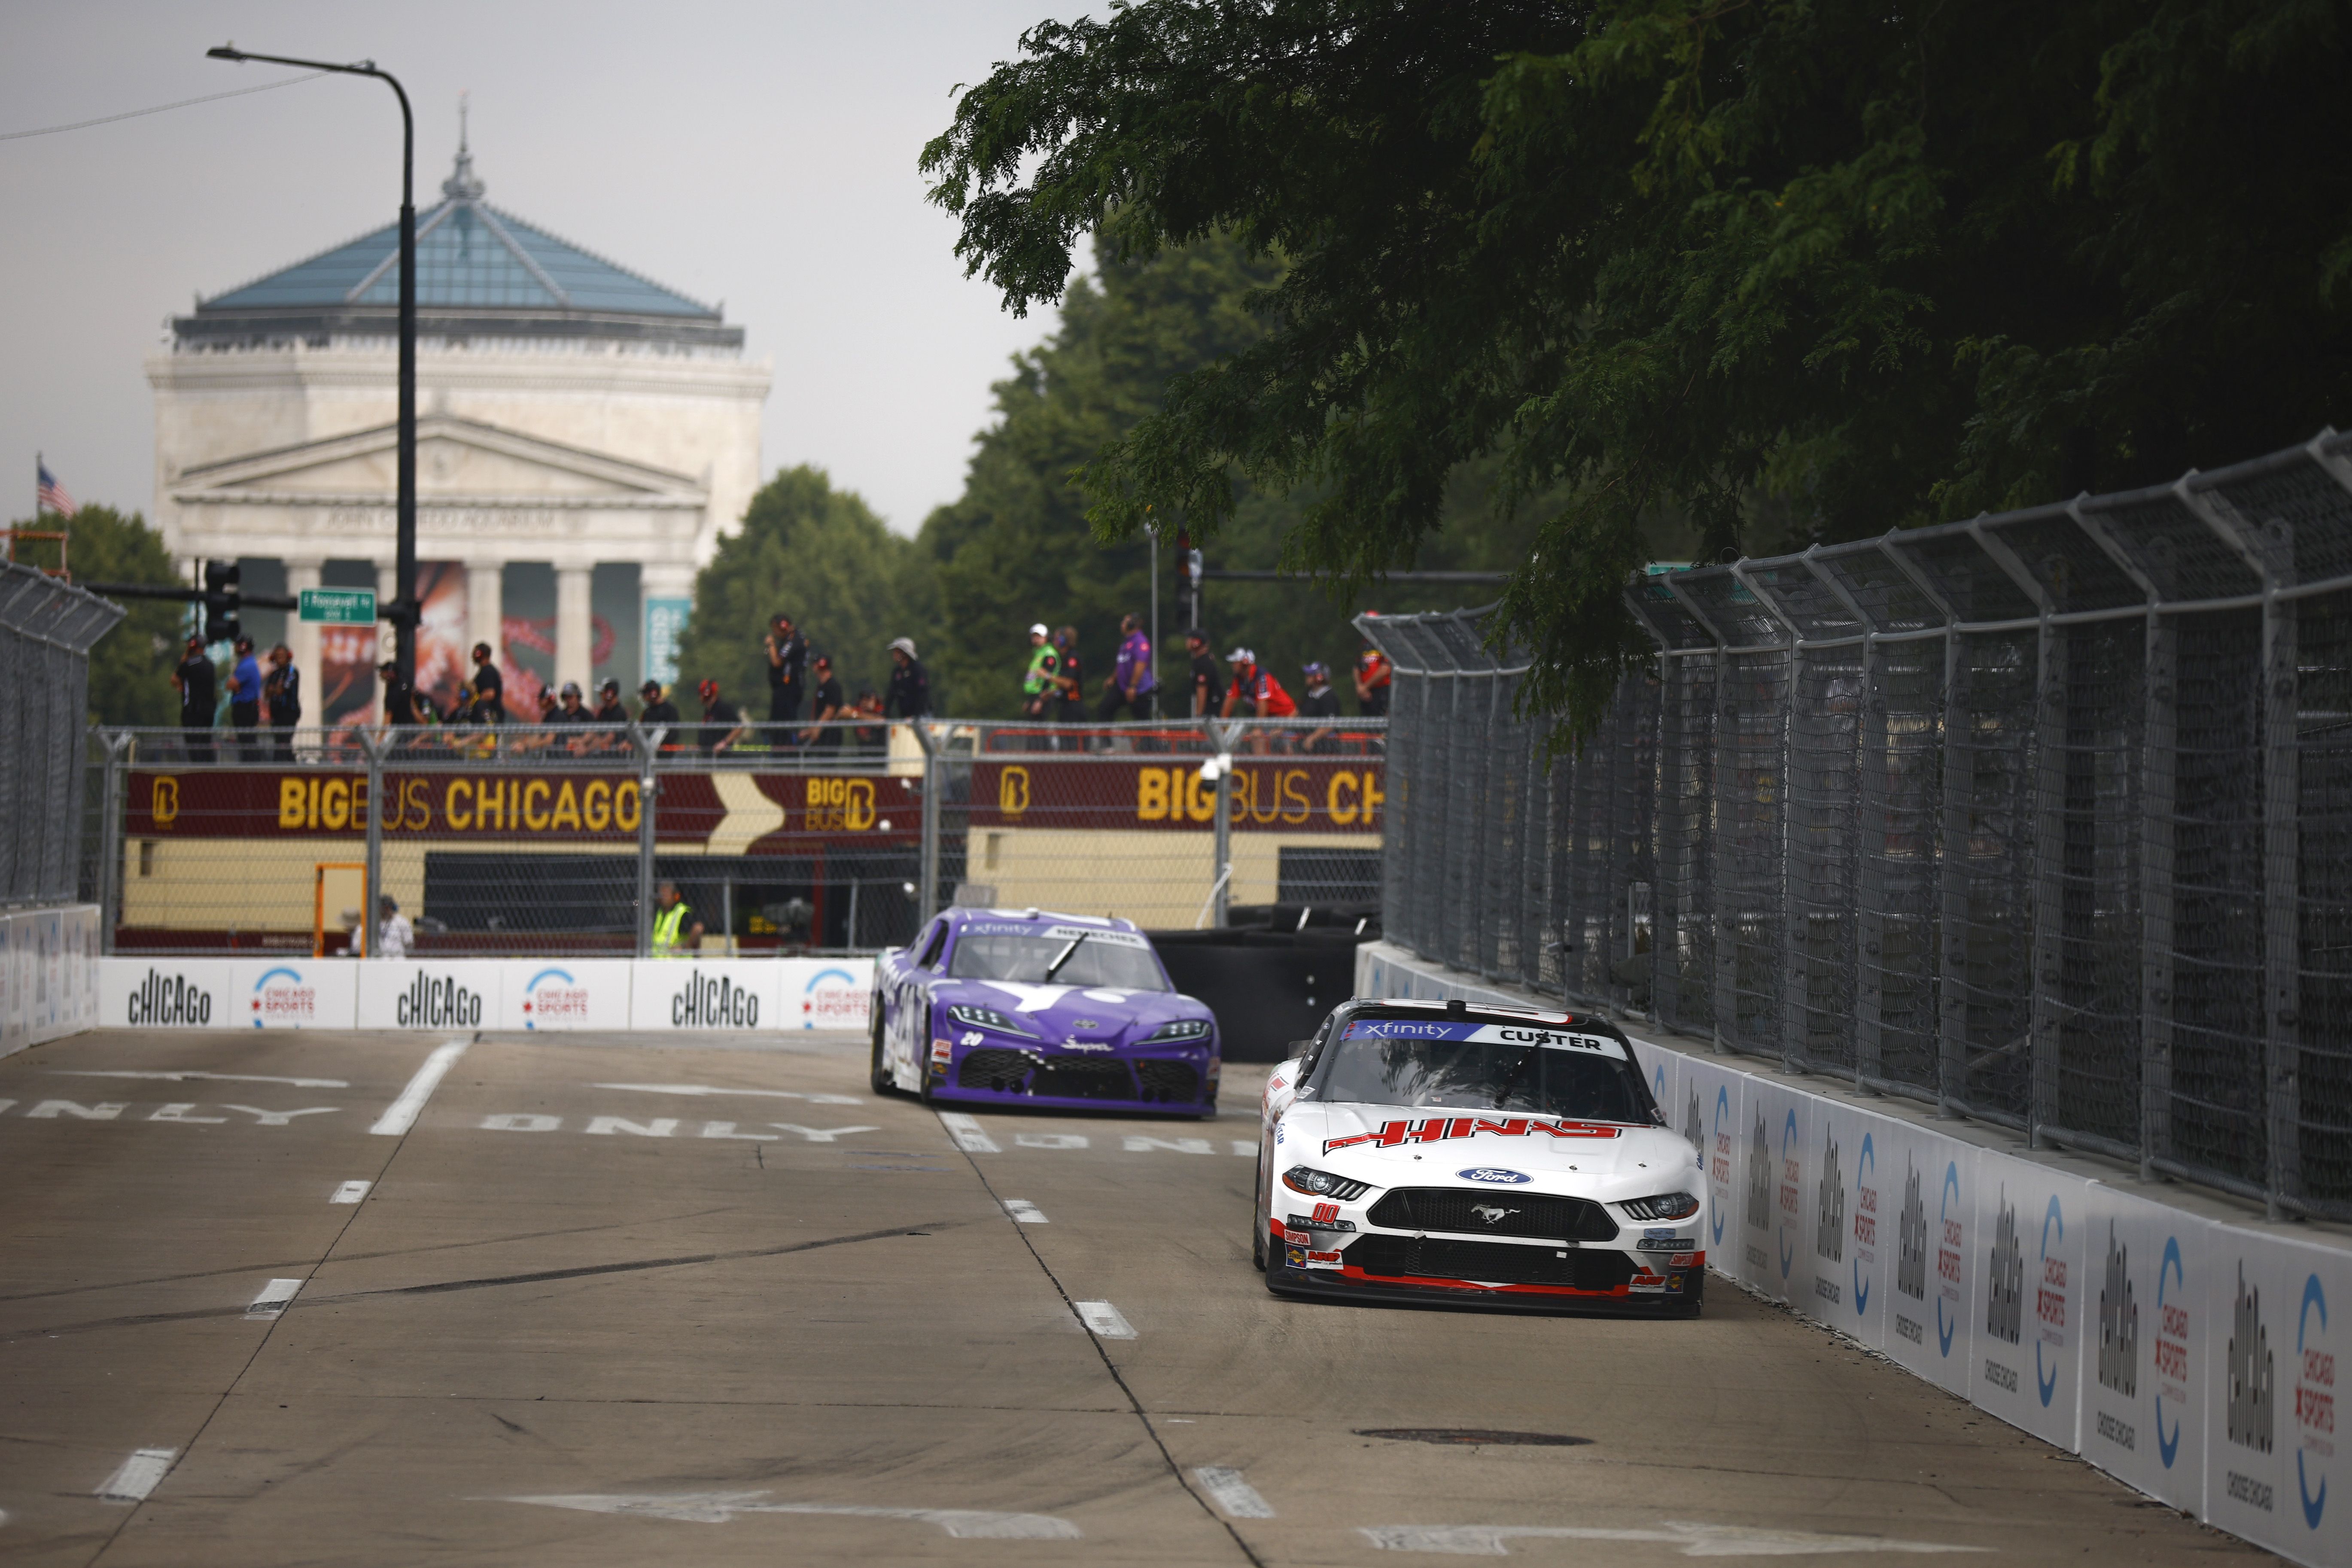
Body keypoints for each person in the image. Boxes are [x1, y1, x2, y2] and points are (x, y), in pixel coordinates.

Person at [1222, 647, 1297, 752]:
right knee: (1257, 738)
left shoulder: (1261, 677)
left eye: (1236, 662)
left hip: (1286, 716)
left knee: (1282, 745)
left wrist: (1259, 728)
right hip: (1269, 717)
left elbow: (1263, 703)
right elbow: (1230, 701)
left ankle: (1293, 767)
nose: (1233, 665)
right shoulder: (1239, 679)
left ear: (1245, 663)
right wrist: (1222, 724)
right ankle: (1262, 767)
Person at [1098, 612, 1155, 722]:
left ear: (1133, 624)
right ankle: (1105, 739)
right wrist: (1113, 678)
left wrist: (1133, 686)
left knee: (1142, 720)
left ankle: (1147, 740)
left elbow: (1141, 664)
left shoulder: (1141, 642)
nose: (1122, 624)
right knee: (1105, 709)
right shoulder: (1126, 643)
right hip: (1123, 686)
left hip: (1139, 689)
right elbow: (1122, 663)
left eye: (1126, 622)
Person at [171, 633, 217, 763]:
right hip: (208, 710)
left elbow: (174, 679)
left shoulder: (189, 664)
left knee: (192, 743)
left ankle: (197, 770)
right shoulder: (210, 665)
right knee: (205, 743)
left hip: (192, 711)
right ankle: (209, 771)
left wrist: (186, 655)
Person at [765, 613, 807, 746]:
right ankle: (779, 744)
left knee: (786, 725)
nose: (774, 634)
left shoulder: (794, 640)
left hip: (789, 690)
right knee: (777, 726)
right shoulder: (791, 639)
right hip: (784, 690)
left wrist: (771, 645)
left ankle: (789, 748)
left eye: (775, 630)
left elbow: (777, 662)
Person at [226, 636, 264, 760]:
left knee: (247, 741)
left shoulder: (247, 665)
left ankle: (251, 767)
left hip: (245, 708)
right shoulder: (248, 663)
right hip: (247, 707)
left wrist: (236, 687)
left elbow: (230, 684)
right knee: (245, 741)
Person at [263, 643, 302, 761]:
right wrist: (274, 690)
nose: (279, 659)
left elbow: (281, 690)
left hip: (289, 713)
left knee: (284, 742)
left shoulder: (292, 672)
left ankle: (287, 765)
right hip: (276, 715)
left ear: (288, 656)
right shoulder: (274, 674)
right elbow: (267, 693)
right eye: (277, 656)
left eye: (282, 656)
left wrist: (274, 690)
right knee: (278, 742)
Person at [802, 653, 847, 753]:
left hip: (830, 733)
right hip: (822, 732)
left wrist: (818, 728)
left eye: (816, 663)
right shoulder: (820, 686)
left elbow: (830, 710)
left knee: (827, 763)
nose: (814, 666)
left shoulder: (832, 685)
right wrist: (810, 731)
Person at [1298, 660, 1343, 753]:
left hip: (1326, 748)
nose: (1307, 677)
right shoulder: (1309, 694)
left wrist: (1312, 738)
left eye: (1310, 675)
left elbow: (1330, 724)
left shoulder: (1329, 696)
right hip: (1307, 746)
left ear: (1319, 677)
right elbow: (1298, 712)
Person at [651, 880, 704, 957]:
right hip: (658, 962)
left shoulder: (681, 913)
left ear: (674, 896)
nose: (663, 897)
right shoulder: (659, 913)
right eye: (661, 894)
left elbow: (698, 929)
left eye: (666, 894)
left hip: (677, 963)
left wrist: (684, 948)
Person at [1053, 626, 1086, 740]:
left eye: (1057, 638)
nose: (1055, 641)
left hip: (1074, 706)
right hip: (1065, 705)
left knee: (1073, 743)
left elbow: (1068, 684)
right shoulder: (1063, 658)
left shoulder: (1073, 657)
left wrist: (1047, 676)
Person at [885, 637, 931, 720]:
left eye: (897, 652)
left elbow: (923, 693)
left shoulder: (918, 669)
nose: (894, 654)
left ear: (904, 653)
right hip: (906, 716)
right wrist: (885, 713)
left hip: (921, 716)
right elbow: (891, 693)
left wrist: (916, 716)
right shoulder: (897, 672)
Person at [697, 678, 745, 756]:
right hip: (709, 756)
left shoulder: (722, 707)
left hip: (721, 757)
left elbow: (739, 727)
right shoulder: (708, 710)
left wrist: (724, 743)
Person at [1184, 628, 1223, 719]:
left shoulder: (1203, 663)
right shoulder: (1200, 661)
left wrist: (1198, 716)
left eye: (1190, 639)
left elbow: (1202, 691)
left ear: (1197, 642)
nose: (1187, 642)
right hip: (1211, 709)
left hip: (1212, 711)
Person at [466, 643, 505, 725]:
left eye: (475, 653)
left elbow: (490, 694)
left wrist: (475, 704)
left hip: (489, 716)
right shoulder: (484, 671)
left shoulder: (488, 672)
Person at [638, 679, 684, 749]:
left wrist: (662, 745)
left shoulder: (670, 709)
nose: (644, 697)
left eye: (645, 694)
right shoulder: (648, 712)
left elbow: (674, 732)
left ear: (653, 694)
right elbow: (641, 729)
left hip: (665, 752)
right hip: (649, 750)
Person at [1354, 636, 1393, 717]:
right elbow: (1356, 667)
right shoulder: (1365, 643)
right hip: (1365, 693)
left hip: (1382, 690)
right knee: (1366, 722)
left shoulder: (1385, 643)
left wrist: (1365, 687)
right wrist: (1360, 687)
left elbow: (1385, 669)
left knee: (1382, 720)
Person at [375, 893, 414, 960]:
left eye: (389, 907)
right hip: (380, 959)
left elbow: (409, 943)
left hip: (398, 959)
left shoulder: (401, 922)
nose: (387, 910)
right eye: (385, 908)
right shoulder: (375, 923)